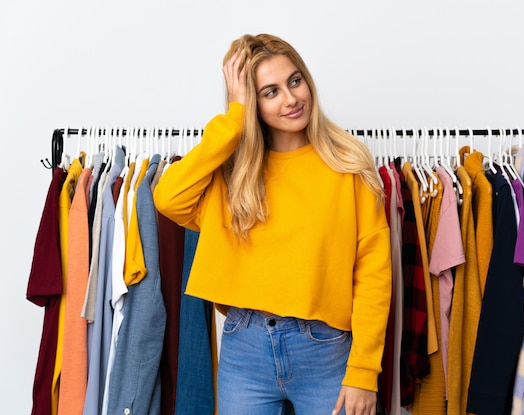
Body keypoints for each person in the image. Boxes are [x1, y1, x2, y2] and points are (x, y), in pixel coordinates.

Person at [154, 33, 392, 415]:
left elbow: (374, 272)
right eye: (270, 92)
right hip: (244, 348)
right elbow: (167, 197)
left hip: (325, 351)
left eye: (295, 81)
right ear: (252, 103)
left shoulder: (348, 163)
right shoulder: (231, 176)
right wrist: (233, 119)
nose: (291, 98)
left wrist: (364, 371)